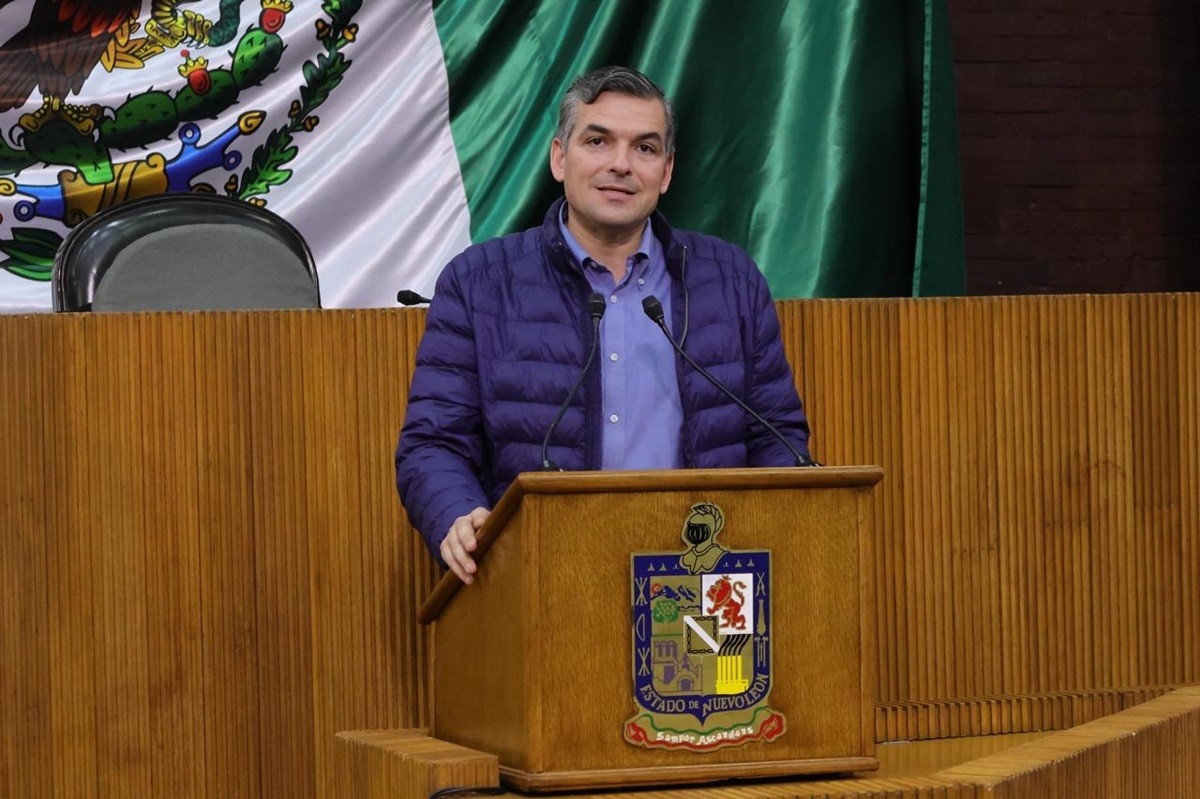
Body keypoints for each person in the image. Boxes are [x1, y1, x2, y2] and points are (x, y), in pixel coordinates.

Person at [395, 66, 812, 583]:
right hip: (542, 574)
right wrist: (456, 515)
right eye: (598, 141)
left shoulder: (729, 281)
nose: (621, 165)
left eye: (644, 148)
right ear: (559, 158)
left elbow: (778, 440)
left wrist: (785, 527)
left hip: (700, 577)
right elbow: (434, 444)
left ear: (666, 171)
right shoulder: (480, 284)